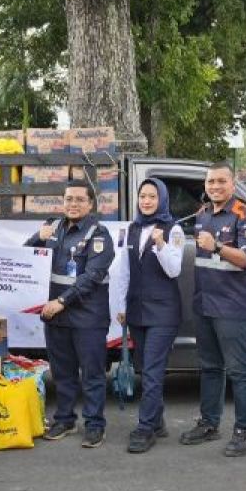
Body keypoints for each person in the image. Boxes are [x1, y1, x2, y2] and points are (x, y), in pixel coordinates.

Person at [24, 181, 116, 448]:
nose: (73, 204)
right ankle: (64, 419)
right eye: (68, 199)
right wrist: (37, 237)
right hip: (56, 317)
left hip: (87, 316)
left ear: (90, 204)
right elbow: (23, 258)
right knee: (62, 372)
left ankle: (95, 425)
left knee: (92, 373)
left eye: (79, 200)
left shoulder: (100, 235)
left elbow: (92, 277)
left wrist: (62, 301)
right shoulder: (52, 228)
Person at [180, 163, 246, 457]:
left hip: (232, 306)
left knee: (240, 371)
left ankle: (244, 431)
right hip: (204, 304)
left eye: (221, 181)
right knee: (210, 368)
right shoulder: (202, 215)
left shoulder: (243, 214)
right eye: (210, 181)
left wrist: (217, 247)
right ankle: (209, 423)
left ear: (233, 183)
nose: (215, 186)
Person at [110, 178, 183, 454]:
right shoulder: (131, 229)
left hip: (164, 311)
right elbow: (124, 271)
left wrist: (162, 245)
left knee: (152, 370)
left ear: (161, 199)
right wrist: (120, 306)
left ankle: (145, 428)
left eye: (152, 196)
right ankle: (158, 420)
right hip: (137, 311)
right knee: (145, 368)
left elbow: (174, 270)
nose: (147, 201)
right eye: (143, 196)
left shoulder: (172, 229)